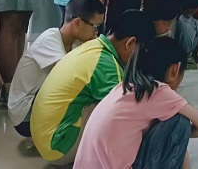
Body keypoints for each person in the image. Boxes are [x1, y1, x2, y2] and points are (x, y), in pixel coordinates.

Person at [31, 10, 155, 165]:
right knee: (122, 111)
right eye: (141, 53)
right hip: (58, 147)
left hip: (46, 137)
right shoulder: (107, 66)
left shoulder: (94, 46)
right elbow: (130, 116)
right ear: (130, 43)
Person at [74, 37, 198, 169]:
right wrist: (180, 135)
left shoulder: (123, 88)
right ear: (175, 70)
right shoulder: (158, 91)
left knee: (169, 122)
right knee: (180, 122)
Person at [9, 0, 105, 138]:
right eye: (95, 27)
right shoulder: (49, 40)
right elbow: (70, 77)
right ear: (77, 23)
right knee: (80, 90)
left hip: (38, 105)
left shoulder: (76, 42)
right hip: (25, 116)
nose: (95, 33)